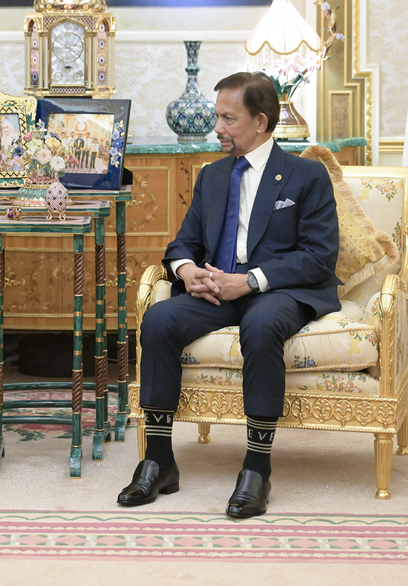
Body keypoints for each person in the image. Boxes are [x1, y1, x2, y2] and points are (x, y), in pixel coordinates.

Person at [117, 71, 341, 519]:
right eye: (218, 117)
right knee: (159, 319)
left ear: (260, 121)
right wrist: (188, 271)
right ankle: (158, 461)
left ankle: (257, 469)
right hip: (217, 290)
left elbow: (319, 256)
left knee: (260, 326)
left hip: (279, 290)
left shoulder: (307, 175)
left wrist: (252, 280)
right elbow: (182, 244)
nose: (217, 127)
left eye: (228, 118)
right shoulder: (213, 176)